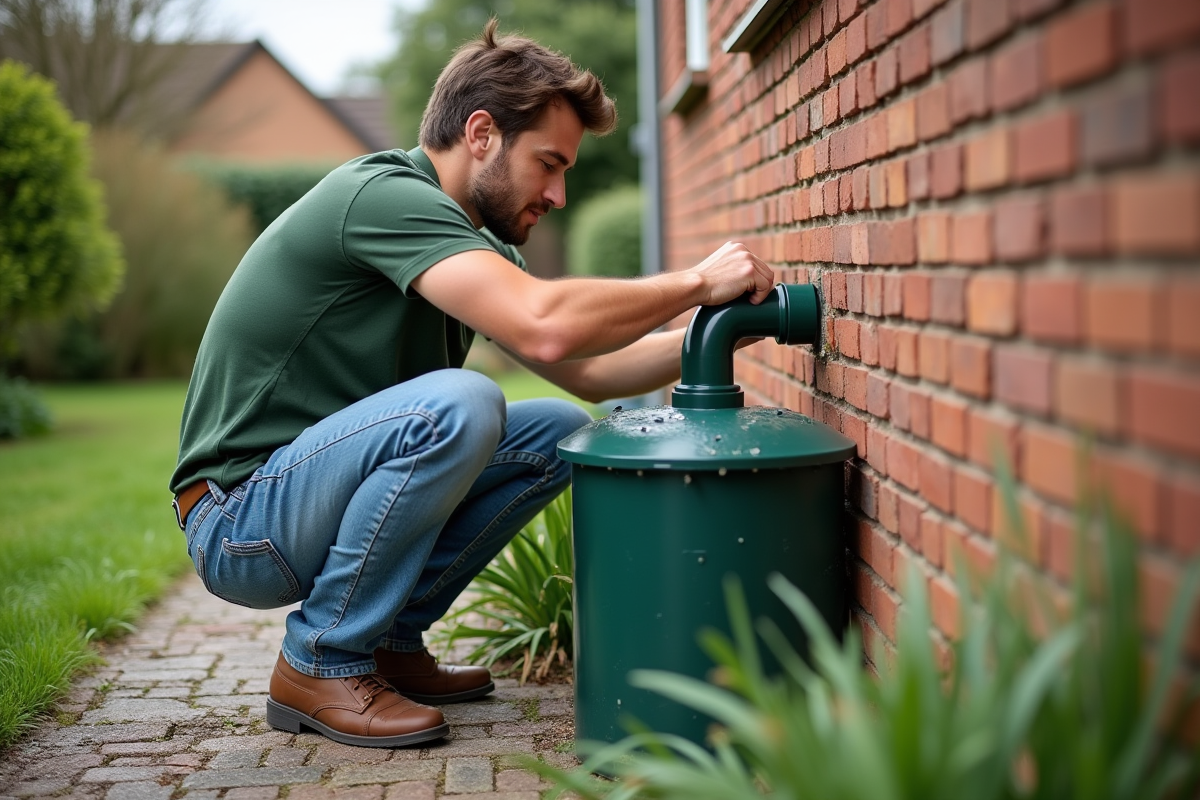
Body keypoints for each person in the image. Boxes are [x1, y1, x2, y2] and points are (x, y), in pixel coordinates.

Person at [169, 19, 775, 749]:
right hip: (240, 520)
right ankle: (322, 658)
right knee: (461, 404)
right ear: (481, 133)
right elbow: (546, 325)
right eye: (547, 163)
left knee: (556, 430)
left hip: (298, 497)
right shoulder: (382, 197)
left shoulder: (468, 240)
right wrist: (696, 282)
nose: (556, 193)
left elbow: (589, 370)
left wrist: (722, 331)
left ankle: (390, 640)